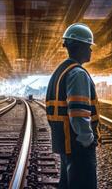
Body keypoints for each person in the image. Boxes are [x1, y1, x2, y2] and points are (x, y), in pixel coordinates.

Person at [45, 23, 99, 189]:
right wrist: (87, 139)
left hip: (67, 142)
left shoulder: (61, 70)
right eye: (89, 46)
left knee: (68, 184)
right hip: (77, 144)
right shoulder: (78, 73)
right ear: (81, 47)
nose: (91, 50)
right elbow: (78, 111)